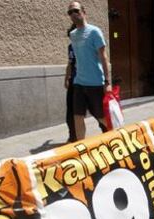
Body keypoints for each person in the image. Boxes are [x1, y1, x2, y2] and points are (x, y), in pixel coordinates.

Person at [67, 1, 111, 140]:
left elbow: (103, 57)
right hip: (79, 82)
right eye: (70, 12)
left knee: (100, 117)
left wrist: (107, 81)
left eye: (76, 10)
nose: (73, 14)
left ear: (83, 12)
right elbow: (74, 58)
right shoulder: (73, 34)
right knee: (77, 116)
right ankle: (82, 147)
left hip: (95, 83)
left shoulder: (94, 31)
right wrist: (68, 77)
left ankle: (118, 136)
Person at [64, 24, 77, 143]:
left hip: (85, 82)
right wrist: (66, 78)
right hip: (73, 81)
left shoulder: (85, 46)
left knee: (96, 111)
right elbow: (70, 64)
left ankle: (107, 132)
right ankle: (73, 136)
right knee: (70, 112)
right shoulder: (70, 47)